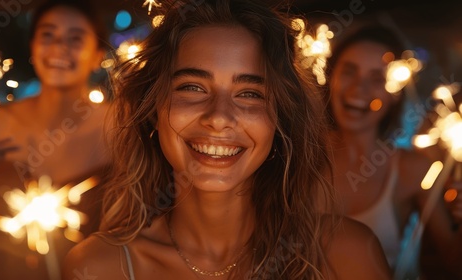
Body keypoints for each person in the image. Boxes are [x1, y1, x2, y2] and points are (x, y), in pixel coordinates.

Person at [62, 0, 391, 279]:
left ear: (280, 121)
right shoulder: (98, 267)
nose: (219, 117)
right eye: (192, 87)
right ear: (154, 109)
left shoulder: (347, 256)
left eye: (249, 93)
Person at [0, 0, 111, 279]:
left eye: (75, 38)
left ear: (97, 55)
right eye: (48, 35)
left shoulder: (119, 126)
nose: (59, 48)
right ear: (32, 46)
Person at [323, 24, 462, 278]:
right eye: (348, 71)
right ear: (330, 76)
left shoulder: (414, 170)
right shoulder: (295, 158)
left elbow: (453, 263)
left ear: (396, 93)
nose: (358, 90)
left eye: (377, 78)